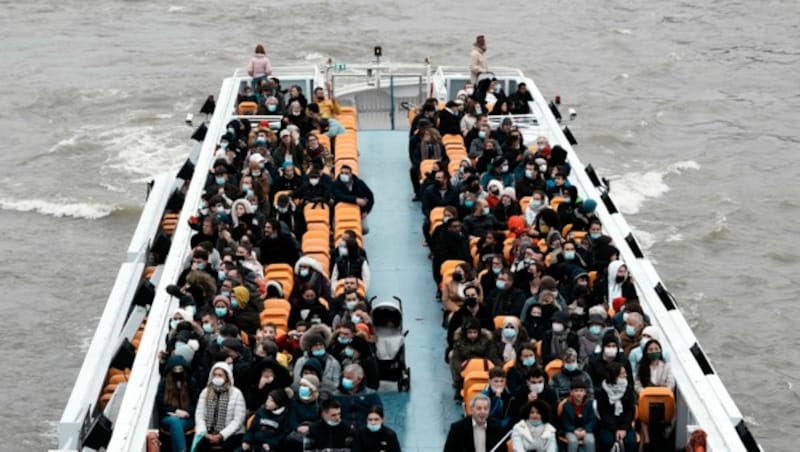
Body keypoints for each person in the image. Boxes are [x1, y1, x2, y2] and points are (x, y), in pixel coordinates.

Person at [194, 362, 247, 452]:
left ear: (227, 377)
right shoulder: (206, 392)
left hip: (232, 434)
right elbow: (200, 415)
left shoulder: (236, 393)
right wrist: (205, 433)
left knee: (224, 448)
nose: (217, 377)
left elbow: (238, 420)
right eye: (214, 375)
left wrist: (221, 435)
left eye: (220, 375)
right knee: (200, 447)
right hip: (209, 433)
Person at [156, 356, 196, 452]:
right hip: (168, 417)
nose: (178, 372)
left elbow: (197, 404)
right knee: (174, 421)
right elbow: (160, 405)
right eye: (175, 369)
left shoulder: (191, 383)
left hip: (187, 418)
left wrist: (187, 412)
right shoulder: (164, 383)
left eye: (180, 369)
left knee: (176, 427)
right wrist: (175, 411)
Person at [595, 362, 637, 452]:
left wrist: (623, 428)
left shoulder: (628, 389)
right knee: (607, 441)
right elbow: (603, 413)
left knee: (630, 442)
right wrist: (615, 430)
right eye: (622, 374)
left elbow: (630, 411)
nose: (626, 376)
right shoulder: (601, 391)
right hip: (607, 425)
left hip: (625, 425)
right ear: (614, 376)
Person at [334, 363, 383, 430]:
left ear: (359, 380)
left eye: (349, 378)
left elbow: (378, 413)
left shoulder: (371, 394)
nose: (345, 380)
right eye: (344, 377)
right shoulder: (335, 395)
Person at [331, 164, 375, 233]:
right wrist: (355, 200)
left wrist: (366, 211)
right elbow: (339, 196)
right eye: (342, 173)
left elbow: (370, 196)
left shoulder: (360, 183)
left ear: (351, 174)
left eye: (346, 173)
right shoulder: (335, 184)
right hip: (341, 212)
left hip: (358, 211)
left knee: (365, 229)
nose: (344, 175)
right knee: (334, 229)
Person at [560, 379, 597, 452]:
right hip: (571, 430)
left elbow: (592, 420)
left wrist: (586, 430)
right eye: (576, 391)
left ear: (585, 392)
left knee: (590, 441)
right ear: (571, 392)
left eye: (581, 391)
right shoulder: (566, 405)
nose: (579, 393)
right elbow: (565, 422)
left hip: (586, 430)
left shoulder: (590, 404)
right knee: (573, 441)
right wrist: (574, 430)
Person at [481, 367, 517, 431]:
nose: (499, 384)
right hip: (488, 426)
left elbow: (511, 414)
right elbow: (489, 415)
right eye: (496, 381)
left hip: (505, 426)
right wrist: (497, 398)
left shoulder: (510, 395)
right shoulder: (483, 396)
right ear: (489, 381)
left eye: (502, 381)